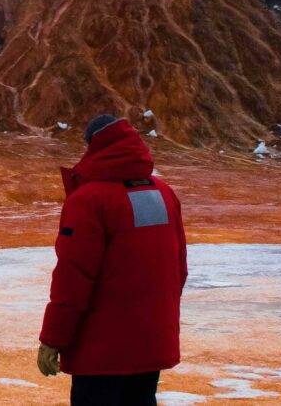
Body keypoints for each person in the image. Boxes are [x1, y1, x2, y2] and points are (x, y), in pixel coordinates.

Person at [37, 115, 187, 406]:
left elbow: (73, 278)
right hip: (151, 342)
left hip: (101, 351)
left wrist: (52, 340)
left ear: (94, 146)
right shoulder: (164, 194)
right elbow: (178, 268)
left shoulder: (89, 201)